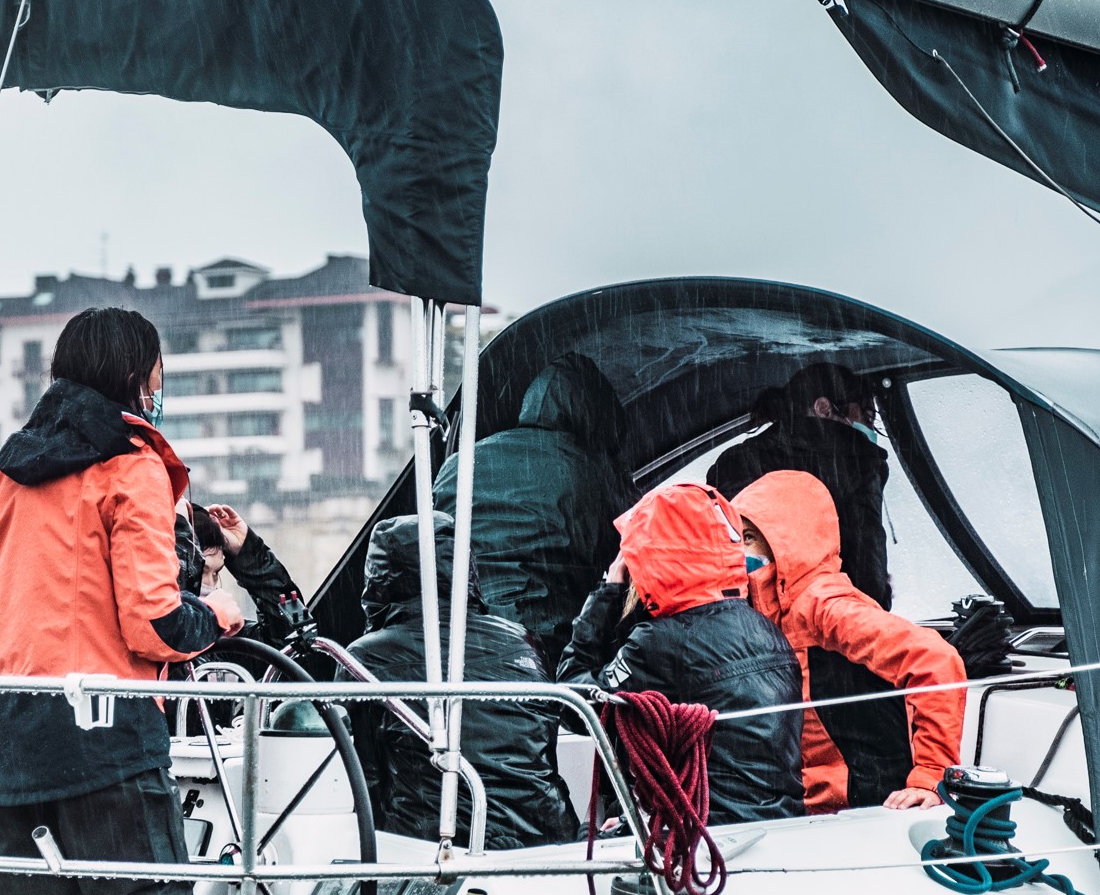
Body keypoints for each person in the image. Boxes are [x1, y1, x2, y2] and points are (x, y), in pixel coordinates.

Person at [0, 306, 245, 895]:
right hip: (105, 740)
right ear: (135, 380)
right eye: (156, 375)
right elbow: (154, 622)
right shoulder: (130, 467)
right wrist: (221, 615)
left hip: (8, 743)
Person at [557, 484, 804, 824]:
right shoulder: (766, 629)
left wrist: (609, 589)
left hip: (706, 839)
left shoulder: (662, 641)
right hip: (780, 824)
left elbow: (576, 704)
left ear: (650, 558)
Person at [733, 471, 967, 811]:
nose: (740, 551)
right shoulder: (763, 608)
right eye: (735, 538)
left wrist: (931, 776)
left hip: (865, 802)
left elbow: (935, 660)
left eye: (751, 537)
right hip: (813, 804)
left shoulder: (824, 605)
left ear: (789, 540)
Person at [344, 512, 579, 848]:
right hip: (545, 838)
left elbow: (359, 777)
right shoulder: (523, 641)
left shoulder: (368, 658)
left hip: (432, 842)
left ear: (381, 578)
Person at [434, 353, 634, 670]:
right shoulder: (592, 471)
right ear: (597, 414)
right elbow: (628, 557)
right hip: (547, 644)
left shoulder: (459, 464)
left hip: (458, 641)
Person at [708, 363, 891, 609]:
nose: (868, 429)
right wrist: (883, 595)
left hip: (746, 627)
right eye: (866, 417)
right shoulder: (857, 463)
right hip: (825, 628)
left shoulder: (734, 462)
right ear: (824, 408)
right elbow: (867, 582)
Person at [198, 503, 305, 647]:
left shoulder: (224, 635)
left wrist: (247, 554)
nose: (211, 585)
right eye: (201, 571)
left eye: (216, 573)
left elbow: (287, 642)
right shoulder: (166, 639)